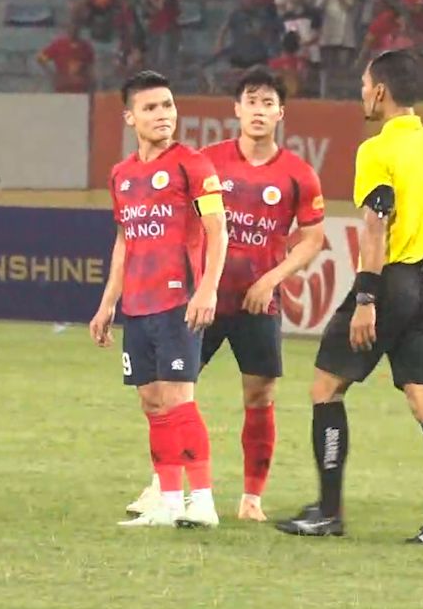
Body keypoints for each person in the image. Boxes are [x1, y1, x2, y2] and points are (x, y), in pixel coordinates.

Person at [275, 49, 423, 545]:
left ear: (380, 90)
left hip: (387, 286)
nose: (362, 92)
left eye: (365, 85)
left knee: (326, 388)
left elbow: (375, 222)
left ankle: (329, 510)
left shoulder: (378, 150)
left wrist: (368, 299)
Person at [123, 66, 325, 524]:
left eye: (268, 103)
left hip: (256, 303)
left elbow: (313, 238)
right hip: (201, 300)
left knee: (259, 395)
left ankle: (251, 497)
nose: (259, 110)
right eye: (251, 101)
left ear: (281, 113)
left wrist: (272, 279)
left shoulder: (298, 174)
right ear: (236, 110)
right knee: (165, 393)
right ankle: (164, 487)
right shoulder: (206, 160)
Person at [88, 70, 227, 528]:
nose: (162, 115)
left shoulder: (193, 165)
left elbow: (216, 230)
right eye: (150, 108)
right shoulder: (122, 176)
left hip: (178, 299)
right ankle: (168, 502)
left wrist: (206, 287)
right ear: (130, 117)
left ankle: (202, 501)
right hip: (137, 305)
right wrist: (108, 303)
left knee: (179, 399)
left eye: (167, 105)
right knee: (150, 401)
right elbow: (125, 240)